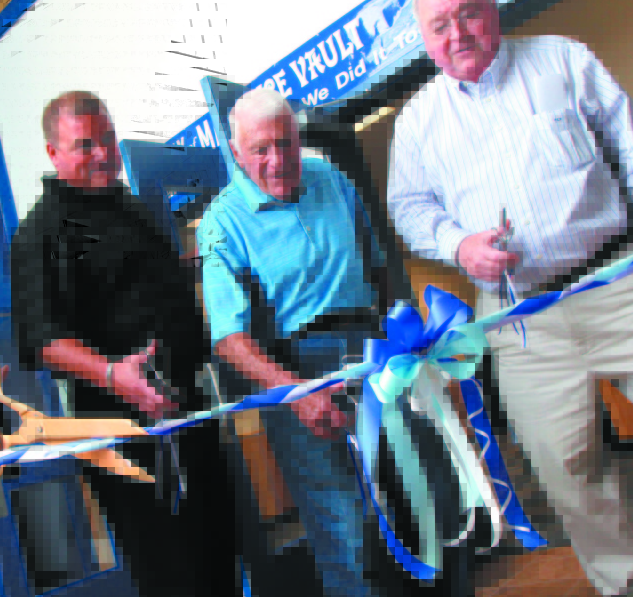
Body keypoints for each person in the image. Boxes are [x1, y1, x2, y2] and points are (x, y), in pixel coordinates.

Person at [388, 0, 633, 597]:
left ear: (494, 12)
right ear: (425, 42)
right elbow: (410, 209)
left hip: (625, 282)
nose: (457, 33)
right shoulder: (417, 122)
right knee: (567, 471)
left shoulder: (562, 61)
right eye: (439, 26)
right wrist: (459, 244)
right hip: (521, 321)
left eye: (468, 14)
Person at [197, 87, 468, 597]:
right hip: (296, 369)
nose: (278, 161)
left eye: (286, 145)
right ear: (236, 153)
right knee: (345, 526)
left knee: (422, 496)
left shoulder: (332, 178)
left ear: (299, 138)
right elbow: (230, 340)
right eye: (261, 150)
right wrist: (296, 390)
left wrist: (399, 336)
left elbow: (378, 264)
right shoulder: (221, 223)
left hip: (373, 353)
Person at [9, 91, 240, 597]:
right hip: (127, 431)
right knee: (172, 572)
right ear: (53, 154)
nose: (102, 154)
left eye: (108, 139)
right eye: (84, 145)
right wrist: (115, 375)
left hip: (188, 410)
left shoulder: (130, 207)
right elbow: (42, 340)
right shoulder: (41, 233)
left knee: (220, 555)